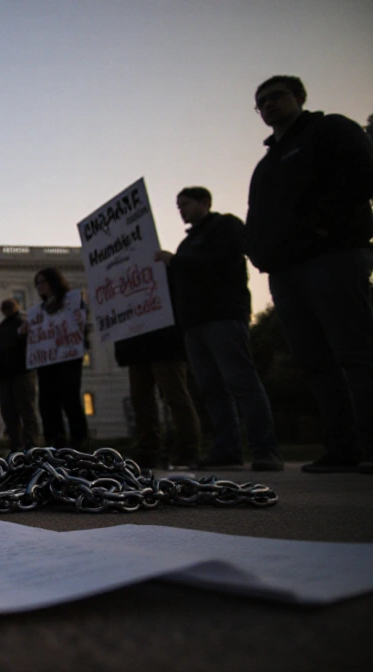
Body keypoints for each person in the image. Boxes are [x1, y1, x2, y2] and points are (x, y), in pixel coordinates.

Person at [243, 75, 373, 474]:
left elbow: (360, 175)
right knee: (316, 362)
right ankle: (342, 448)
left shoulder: (330, 129)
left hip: (333, 255)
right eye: (260, 102)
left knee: (356, 352)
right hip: (285, 271)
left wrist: (321, 228)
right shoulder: (265, 165)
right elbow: (256, 217)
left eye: (276, 97)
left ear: (299, 96)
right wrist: (261, 255)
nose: (268, 105)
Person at [156, 186, 282, 471]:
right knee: (212, 389)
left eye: (185, 204)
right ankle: (227, 449)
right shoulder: (187, 244)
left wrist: (174, 262)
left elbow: (221, 262)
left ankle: (265, 449)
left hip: (223, 316)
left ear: (205, 202)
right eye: (178, 206)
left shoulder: (226, 226)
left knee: (242, 382)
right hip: (194, 324)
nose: (181, 210)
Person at [113, 323, 202, 471]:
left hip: (163, 337)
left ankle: (188, 449)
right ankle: (148, 451)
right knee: (140, 399)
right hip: (137, 340)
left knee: (174, 395)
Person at [30, 268, 89, 450]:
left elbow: (82, 324)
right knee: (47, 402)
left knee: (69, 398)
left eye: (43, 282)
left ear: (54, 281)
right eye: (37, 283)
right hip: (46, 360)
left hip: (68, 357)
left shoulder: (71, 301)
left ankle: (79, 444)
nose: (40, 287)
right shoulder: (39, 311)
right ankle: (55, 442)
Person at [0, 299, 39, 454]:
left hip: (22, 373)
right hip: (5, 378)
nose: (7, 309)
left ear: (18, 306)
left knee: (26, 411)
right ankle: (16, 447)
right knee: (9, 414)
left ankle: (31, 447)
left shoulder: (24, 323)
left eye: (10, 306)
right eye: (5, 307)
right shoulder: (1, 328)